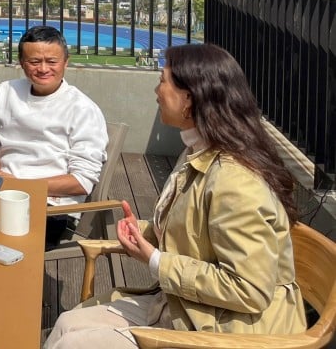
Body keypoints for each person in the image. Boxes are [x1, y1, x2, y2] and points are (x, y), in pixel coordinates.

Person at [45, 43, 306, 348]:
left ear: (189, 99)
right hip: (189, 307)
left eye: (162, 80)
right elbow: (201, 236)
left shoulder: (235, 182)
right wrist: (145, 234)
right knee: (66, 324)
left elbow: (248, 289)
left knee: (76, 344)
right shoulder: (197, 150)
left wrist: (155, 260)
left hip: (230, 330)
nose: (157, 91)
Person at [0, 25, 108, 246]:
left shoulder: (82, 109)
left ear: (66, 62)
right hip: (0, 193)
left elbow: (81, 182)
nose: (43, 69)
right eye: (34, 62)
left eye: (52, 61)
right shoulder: (6, 91)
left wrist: (21, 184)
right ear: (22, 63)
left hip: (51, 207)